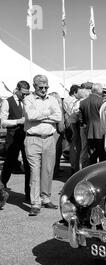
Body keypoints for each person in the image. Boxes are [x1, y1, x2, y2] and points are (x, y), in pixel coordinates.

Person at [23, 75, 62, 216]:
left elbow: (58, 117)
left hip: (49, 139)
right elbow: (30, 115)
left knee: (47, 170)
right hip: (33, 139)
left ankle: (45, 198)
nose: (44, 89)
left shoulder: (52, 99)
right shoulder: (28, 99)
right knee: (35, 172)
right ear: (34, 86)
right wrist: (48, 114)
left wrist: (41, 115)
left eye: (46, 87)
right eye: (41, 87)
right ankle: (35, 203)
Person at [0, 80, 31, 203]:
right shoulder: (7, 102)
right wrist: (18, 121)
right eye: (23, 93)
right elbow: (3, 122)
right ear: (17, 89)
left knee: (28, 166)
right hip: (12, 137)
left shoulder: (27, 101)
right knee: (9, 165)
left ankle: (29, 195)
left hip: (26, 136)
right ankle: (1, 190)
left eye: (27, 94)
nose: (25, 96)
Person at [79, 83, 106, 165]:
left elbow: (81, 119)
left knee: (92, 154)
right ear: (99, 90)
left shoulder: (83, 102)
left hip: (88, 131)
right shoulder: (102, 101)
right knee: (102, 154)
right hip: (101, 132)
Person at [63, 84, 81, 174]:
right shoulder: (74, 101)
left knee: (72, 146)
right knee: (75, 146)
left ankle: (73, 165)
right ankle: (75, 166)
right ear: (74, 92)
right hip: (73, 124)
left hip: (69, 124)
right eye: (79, 92)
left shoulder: (66, 100)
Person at [49, 92, 65, 178]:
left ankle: (54, 170)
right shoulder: (58, 109)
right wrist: (63, 132)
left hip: (49, 133)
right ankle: (55, 171)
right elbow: (61, 126)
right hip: (56, 134)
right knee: (56, 153)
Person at [78, 82, 94, 169]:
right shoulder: (84, 101)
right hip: (86, 127)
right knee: (86, 149)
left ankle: (83, 168)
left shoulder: (81, 101)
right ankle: (85, 168)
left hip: (83, 127)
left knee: (84, 149)